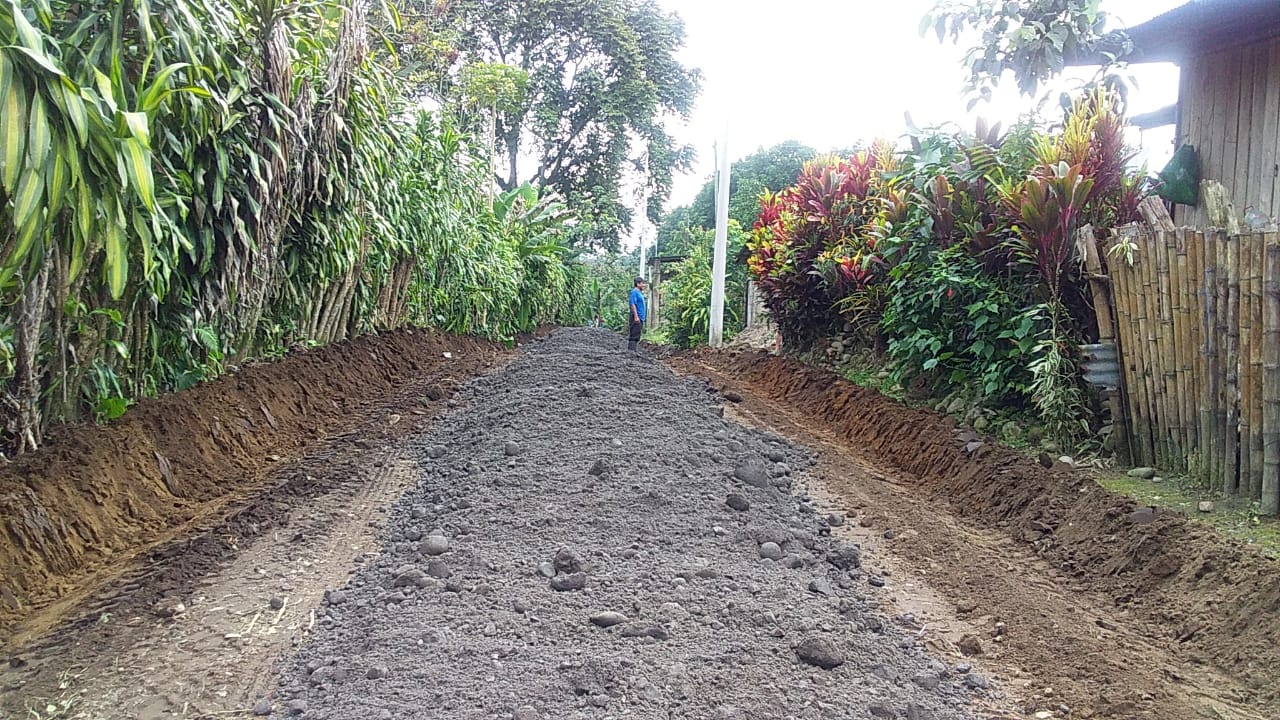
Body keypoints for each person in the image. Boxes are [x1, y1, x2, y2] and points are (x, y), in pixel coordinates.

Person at [628, 276, 647, 353]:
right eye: (642, 283)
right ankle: (631, 352)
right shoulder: (634, 292)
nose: (644, 285)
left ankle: (633, 351)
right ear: (638, 284)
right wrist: (636, 316)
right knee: (634, 335)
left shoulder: (639, 293)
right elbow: (632, 304)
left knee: (637, 334)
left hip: (640, 317)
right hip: (636, 317)